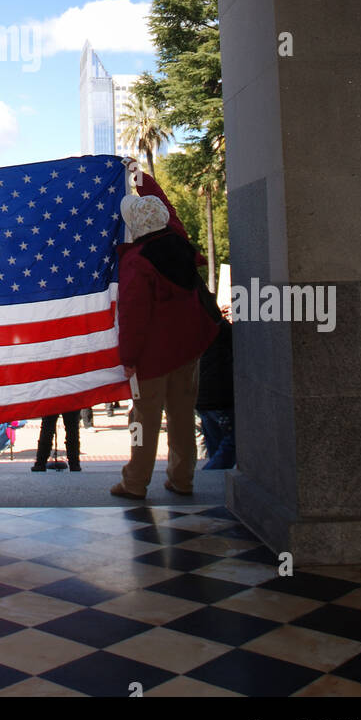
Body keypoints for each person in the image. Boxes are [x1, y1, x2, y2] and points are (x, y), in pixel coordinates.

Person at [110, 171, 218, 501]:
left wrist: (128, 360)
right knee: (183, 415)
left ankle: (135, 481)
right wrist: (139, 177)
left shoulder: (137, 263)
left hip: (152, 358)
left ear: (137, 227)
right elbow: (166, 207)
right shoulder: (179, 240)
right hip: (189, 350)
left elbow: (133, 318)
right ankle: (182, 478)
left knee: (143, 420)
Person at [196, 308, 236, 469]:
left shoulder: (196, 332)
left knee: (216, 446)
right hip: (221, 398)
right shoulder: (221, 330)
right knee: (231, 444)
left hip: (203, 399)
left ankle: (213, 477)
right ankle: (208, 474)